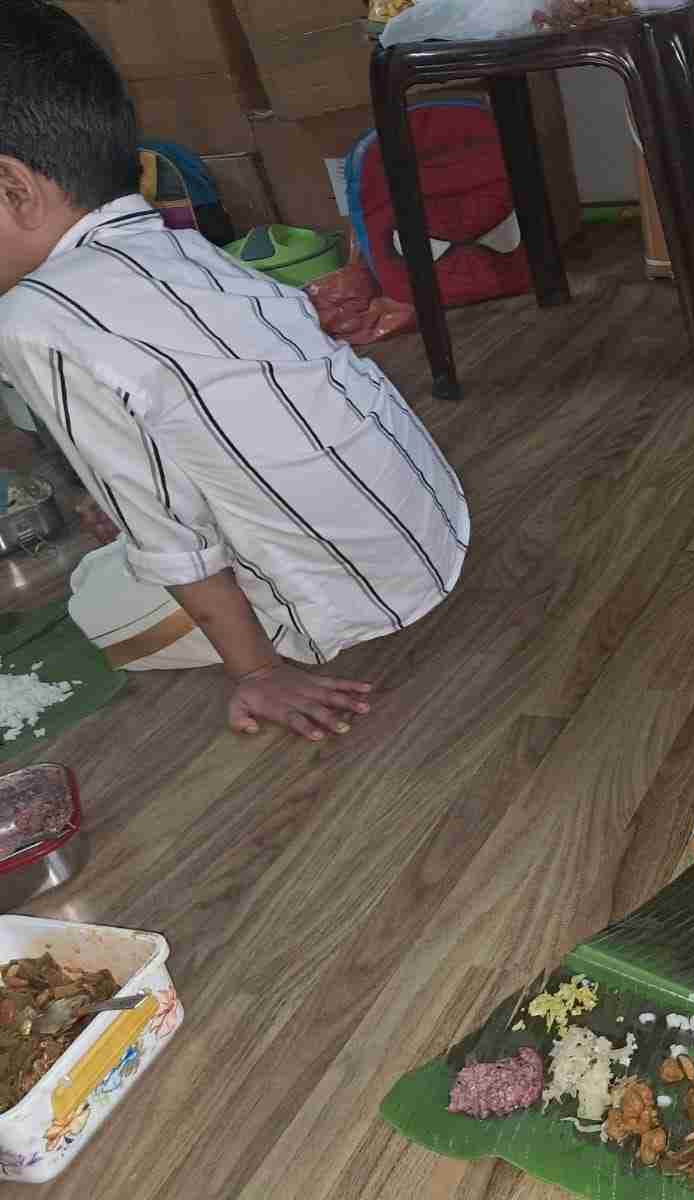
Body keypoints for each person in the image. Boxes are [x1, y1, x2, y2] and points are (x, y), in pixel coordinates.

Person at [0, 2, 468, 740]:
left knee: (95, 602)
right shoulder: (169, 242)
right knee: (129, 532)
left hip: (357, 590)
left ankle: (258, 643)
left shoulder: (35, 318)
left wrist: (255, 674)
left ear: (14, 187)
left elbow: (164, 532)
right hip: (427, 526)